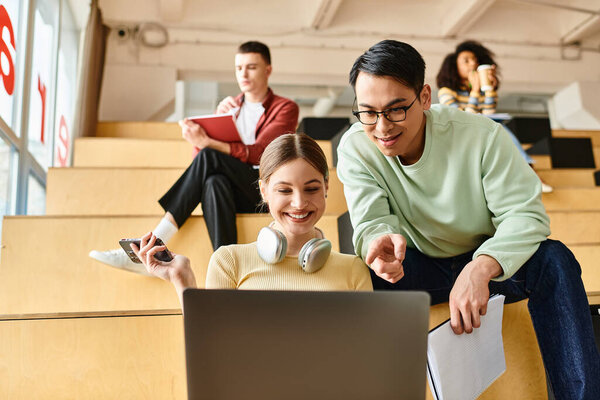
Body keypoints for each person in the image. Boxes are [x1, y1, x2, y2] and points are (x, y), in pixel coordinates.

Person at [337, 39, 599, 399]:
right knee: (355, 279)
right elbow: (370, 218)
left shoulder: (482, 137)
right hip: (417, 266)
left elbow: (526, 216)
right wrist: (378, 239)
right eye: (368, 112)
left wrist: (481, 267)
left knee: (554, 260)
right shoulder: (355, 148)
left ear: (425, 97)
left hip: (486, 265)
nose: (382, 127)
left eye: (397, 109)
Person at [90, 41, 299, 274]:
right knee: (213, 182)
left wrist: (208, 143)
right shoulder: (230, 108)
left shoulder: (286, 107)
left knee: (211, 157)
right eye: (239, 68)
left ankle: (155, 241)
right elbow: (201, 162)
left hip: (263, 191)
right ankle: (227, 270)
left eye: (251, 67)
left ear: (267, 70)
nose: (244, 74)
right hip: (233, 190)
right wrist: (213, 126)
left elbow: (262, 152)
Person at [131, 133, 372, 303]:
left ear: (326, 186)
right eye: (284, 190)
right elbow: (212, 346)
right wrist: (181, 279)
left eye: (311, 189)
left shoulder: (353, 269)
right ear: (264, 191)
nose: (299, 203)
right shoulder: (228, 261)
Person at [436, 40, 552, 192]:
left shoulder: (483, 91)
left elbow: (489, 113)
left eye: (475, 61)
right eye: (466, 61)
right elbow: (460, 120)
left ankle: (528, 174)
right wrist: (475, 91)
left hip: (479, 131)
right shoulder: (446, 91)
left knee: (498, 129)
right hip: (457, 134)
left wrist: (489, 88)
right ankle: (531, 174)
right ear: (454, 66)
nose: (472, 64)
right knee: (500, 131)